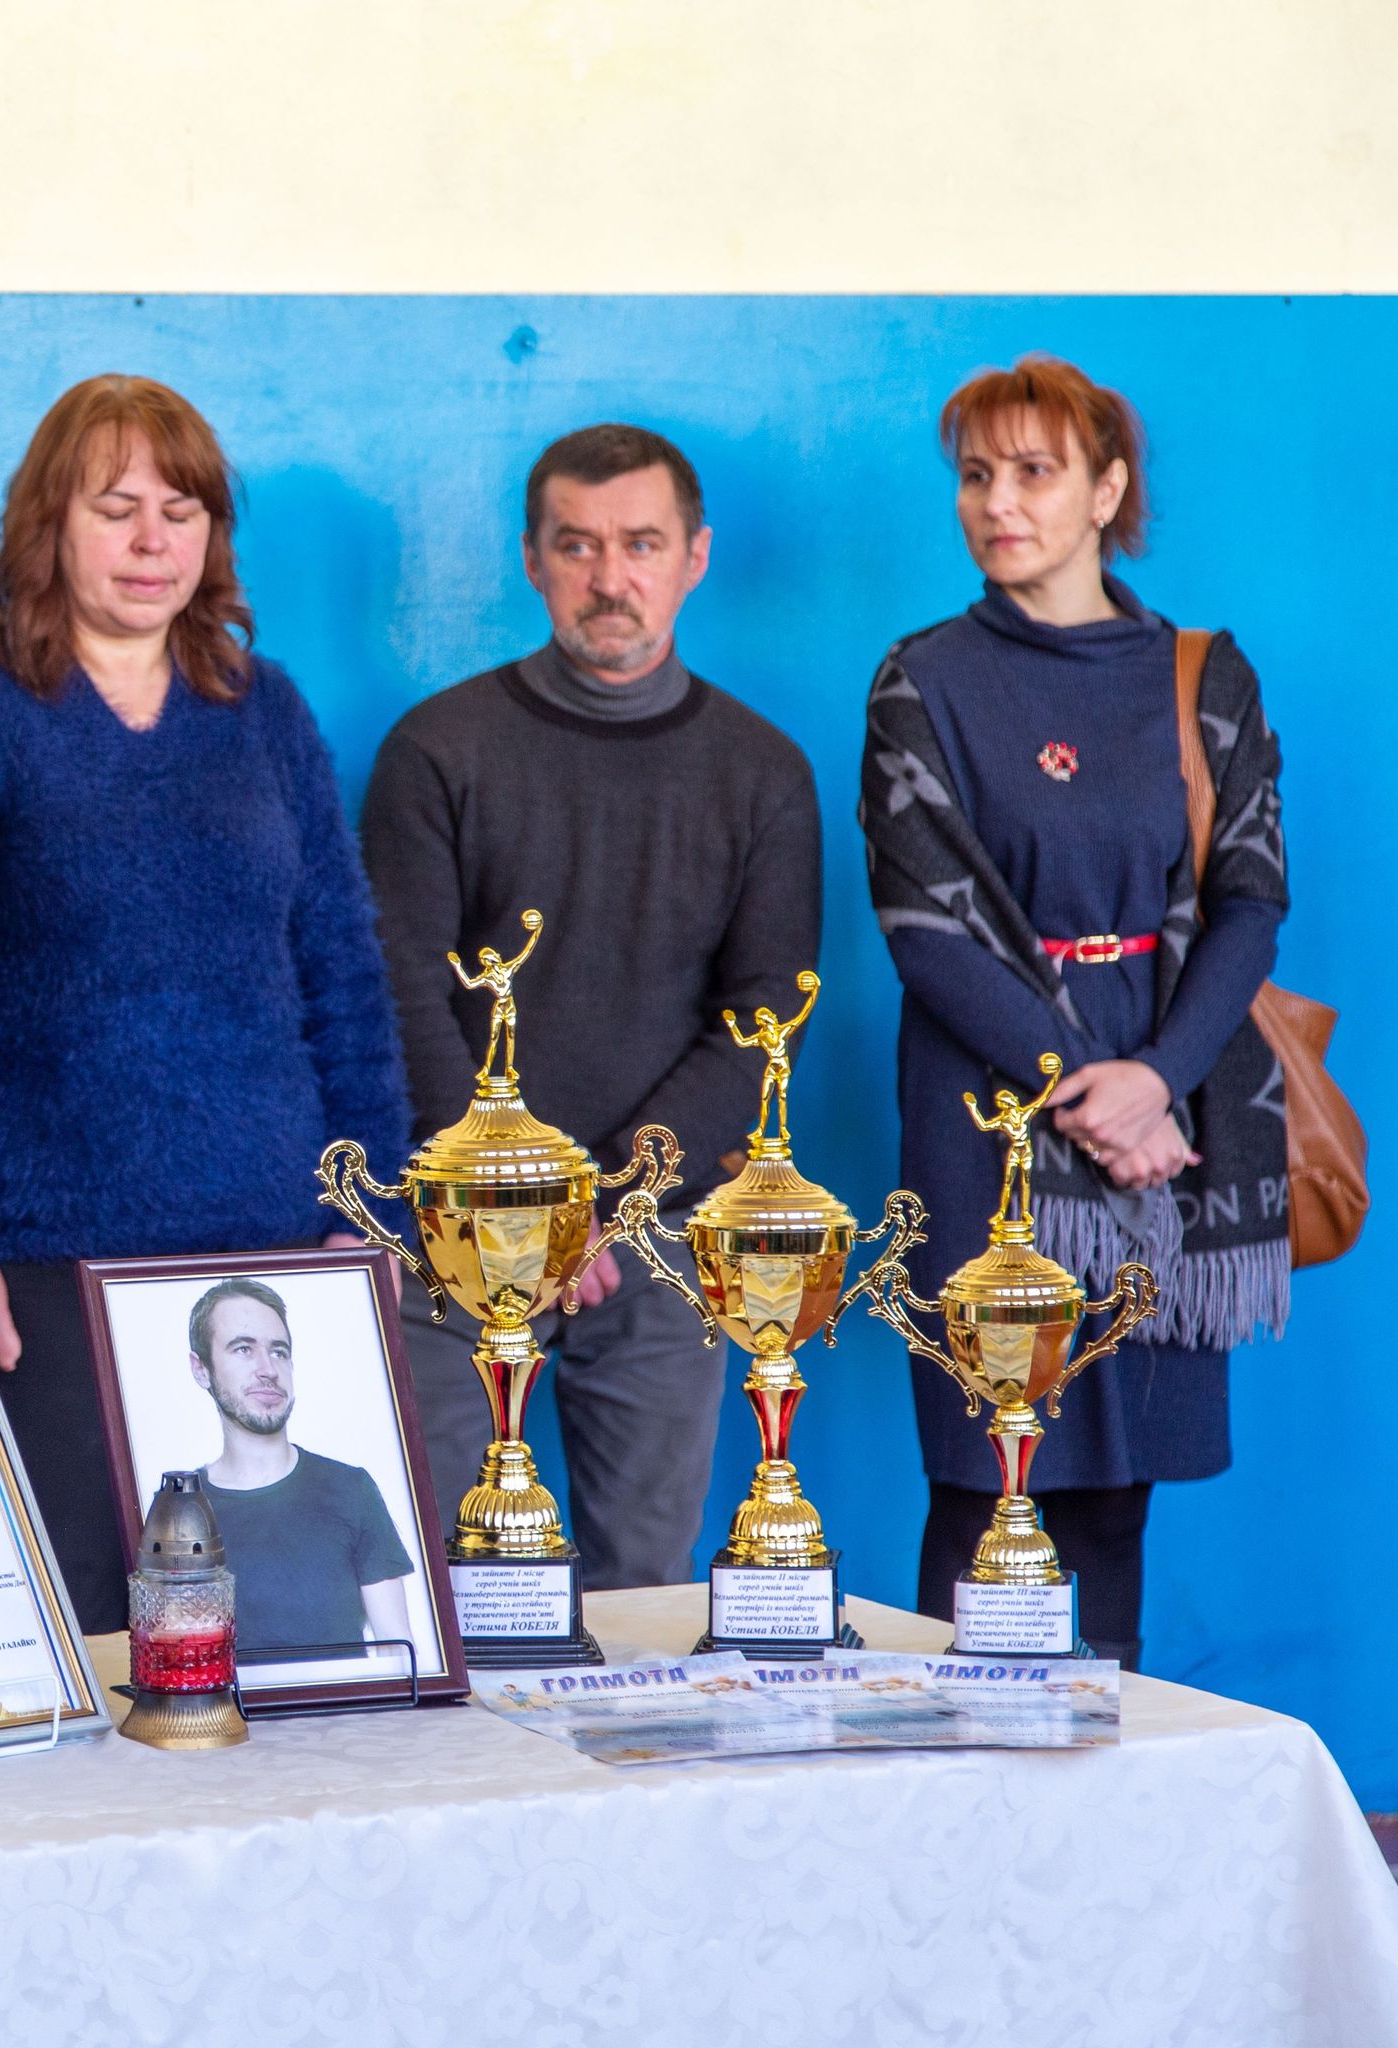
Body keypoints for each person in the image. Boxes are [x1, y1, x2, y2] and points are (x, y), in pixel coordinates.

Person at [0, 375, 409, 1634]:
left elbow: (342, 973)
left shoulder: (263, 708)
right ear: (47, 524)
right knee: (99, 1636)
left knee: (287, 1643)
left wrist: (370, 1214)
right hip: (48, 1271)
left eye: (181, 511)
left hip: (283, 1251)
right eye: (114, 508)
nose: (150, 540)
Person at [860, 355, 1288, 1671]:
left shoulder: (1205, 678)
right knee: (985, 1483)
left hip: (1177, 1115)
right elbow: (925, 927)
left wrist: (1155, 1078)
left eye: (1033, 472)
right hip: (986, 1125)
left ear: (1106, 491)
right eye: (975, 475)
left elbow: (1251, 902)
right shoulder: (922, 679)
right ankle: (956, 1773)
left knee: (1112, 1499)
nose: (997, 502)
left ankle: (1094, 1766)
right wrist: (1089, 1088)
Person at [362, 424, 820, 1591]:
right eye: (577, 545)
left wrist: (613, 1199)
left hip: (656, 1232)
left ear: (695, 556)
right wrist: (522, 1209)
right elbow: (399, 988)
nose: (610, 578)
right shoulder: (436, 751)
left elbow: (765, 1015)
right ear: (532, 559)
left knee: (647, 1586)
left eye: (641, 544)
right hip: (456, 1230)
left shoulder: (763, 771)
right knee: (445, 1584)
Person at [184, 1279, 416, 1652]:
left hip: (344, 1693)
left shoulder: (350, 1488)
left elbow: (397, 1649)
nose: (268, 1369)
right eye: (243, 1349)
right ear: (201, 1370)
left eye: (278, 1351)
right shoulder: (182, 1506)